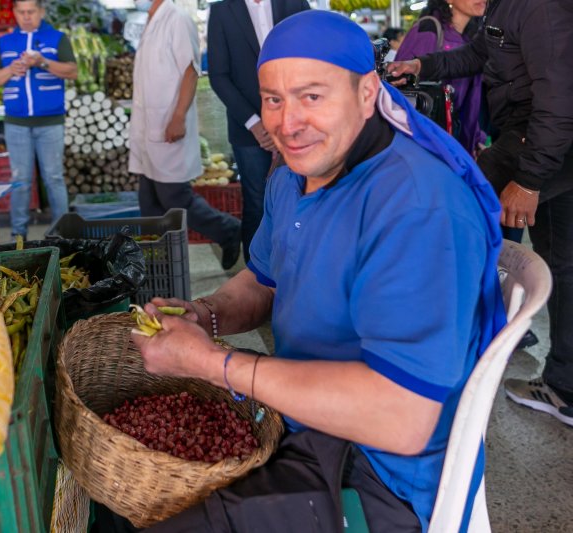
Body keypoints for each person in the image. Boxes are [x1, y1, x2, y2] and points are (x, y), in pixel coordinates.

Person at [132, 10, 505, 532]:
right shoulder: (294, 179)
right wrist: (206, 316)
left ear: (368, 92)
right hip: (302, 424)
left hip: (374, 473)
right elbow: (263, 280)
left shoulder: (417, 209)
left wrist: (213, 363)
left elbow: (401, 420)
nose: (288, 123)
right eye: (273, 99)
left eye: (313, 96)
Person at [389, 0, 573, 427]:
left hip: (540, 145)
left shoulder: (537, 8)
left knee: (453, 214)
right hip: (537, 145)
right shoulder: (501, 9)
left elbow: (559, 101)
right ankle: (564, 385)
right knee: (563, 264)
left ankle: (433, 363)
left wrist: (529, 181)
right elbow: (479, 54)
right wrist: (420, 65)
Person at [129, 0, 241, 270]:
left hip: (168, 125)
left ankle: (228, 230)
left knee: (175, 199)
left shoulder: (177, 18)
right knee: (150, 201)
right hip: (148, 128)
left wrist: (178, 117)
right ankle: (158, 267)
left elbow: (190, 70)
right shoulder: (150, 20)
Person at [207, 0, 309, 263]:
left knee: (302, 197)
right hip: (250, 131)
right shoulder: (223, 10)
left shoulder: (295, 3)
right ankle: (256, 278)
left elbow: (313, 57)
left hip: (298, 122)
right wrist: (255, 123)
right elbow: (219, 75)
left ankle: (297, 270)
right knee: (257, 203)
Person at [0, 0, 77, 240]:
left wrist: (42, 62)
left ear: (41, 12)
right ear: (15, 13)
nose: (26, 16)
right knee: (20, 180)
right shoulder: (4, 42)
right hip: (16, 123)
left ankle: (62, 233)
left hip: (50, 122)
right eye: (21, 12)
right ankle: (18, 235)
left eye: (31, 12)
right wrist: (10, 70)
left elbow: (73, 71)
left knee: (54, 178)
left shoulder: (57, 38)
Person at [394, 0, 486, 156]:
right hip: (427, 148)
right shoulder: (428, 31)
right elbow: (402, 95)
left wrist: (476, 138)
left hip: (456, 145)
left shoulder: (473, 39)